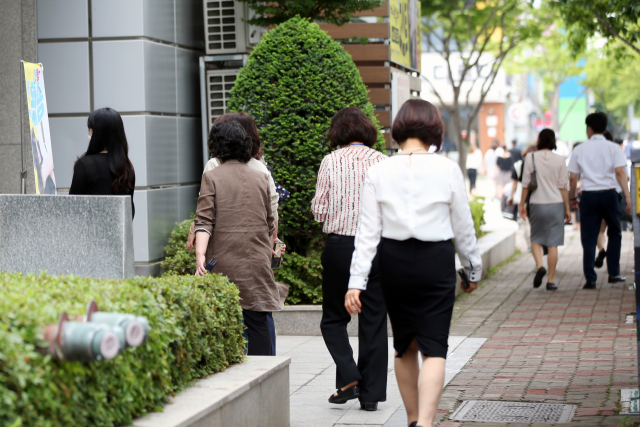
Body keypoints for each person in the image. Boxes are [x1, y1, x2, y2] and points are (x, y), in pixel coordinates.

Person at [345, 99, 482, 427]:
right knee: (434, 347)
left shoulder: (378, 170)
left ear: (399, 128)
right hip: (436, 260)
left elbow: (367, 233)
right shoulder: (447, 169)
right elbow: (463, 227)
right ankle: (426, 423)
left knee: (404, 345)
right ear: (434, 127)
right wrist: (472, 269)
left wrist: (356, 282)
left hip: (394, 262)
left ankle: (412, 419)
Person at [187, 112, 285, 356]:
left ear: (216, 146)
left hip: (223, 260)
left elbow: (204, 220)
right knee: (259, 319)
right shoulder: (262, 176)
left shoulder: (212, 175)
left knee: (227, 320)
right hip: (256, 261)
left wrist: (200, 255)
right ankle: (265, 375)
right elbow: (270, 221)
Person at [311, 107, 388, 411]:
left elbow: (319, 210)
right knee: (374, 321)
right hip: (379, 250)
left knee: (333, 320)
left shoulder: (330, 161)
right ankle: (370, 396)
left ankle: (350, 377)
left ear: (338, 132)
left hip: (341, 247)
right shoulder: (383, 162)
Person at [568, 112, 631, 289]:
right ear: (605, 128)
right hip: (610, 195)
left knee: (588, 237)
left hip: (588, 196)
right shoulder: (613, 148)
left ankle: (590, 278)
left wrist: (573, 198)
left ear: (589, 128)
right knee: (615, 232)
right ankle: (614, 273)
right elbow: (620, 173)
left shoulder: (579, 149)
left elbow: (573, 178)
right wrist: (627, 197)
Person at [519, 129, 570, 291]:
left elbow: (526, 184)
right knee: (553, 243)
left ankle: (540, 265)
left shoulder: (530, 157)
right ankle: (551, 280)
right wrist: (567, 208)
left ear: (540, 140)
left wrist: (521, 204)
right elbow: (563, 186)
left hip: (536, 203)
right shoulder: (560, 160)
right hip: (556, 203)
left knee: (536, 238)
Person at [69, 108, 135, 218]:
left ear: (98, 133)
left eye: (90, 129)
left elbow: (72, 206)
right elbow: (129, 210)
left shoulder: (85, 165)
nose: (88, 133)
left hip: (89, 232)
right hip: (118, 233)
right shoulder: (127, 167)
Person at [594, 133, 630, 269]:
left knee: (600, 229)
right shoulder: (616, 152)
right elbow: (624, 176)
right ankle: (614, 270)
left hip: (596, 195)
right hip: (614, 196)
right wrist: (627, 196)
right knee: (615, 231)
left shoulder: (595, 155)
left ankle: (602, 250)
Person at [507, 145, 536, 249]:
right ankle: (535, 243)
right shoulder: (539, 165)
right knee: (533, 222)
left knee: (524, 222)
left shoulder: (519, 165)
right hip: (536, 197)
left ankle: (530, 244)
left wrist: (510, 196)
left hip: (522, 197)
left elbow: (515, 183)